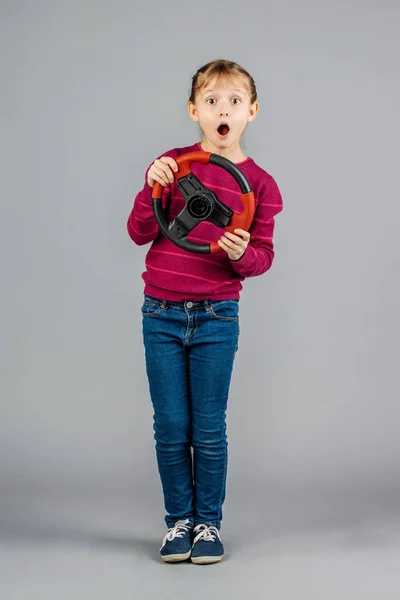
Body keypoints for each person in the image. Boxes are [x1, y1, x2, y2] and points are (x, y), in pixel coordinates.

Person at [126, 59, 283, 564]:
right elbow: (138, 231)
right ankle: (179, 524)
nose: (223, 109)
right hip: (161, 314)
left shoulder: (259, 186)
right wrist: (150, 183)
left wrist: (239, 252)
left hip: (217, 317)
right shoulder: (174, 167)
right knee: (170, 425)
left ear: (251, 112)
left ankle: (208, 525)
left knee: (208, 427)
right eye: (212, 100)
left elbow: (261, 258)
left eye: (234, 101)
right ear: (195, 110)